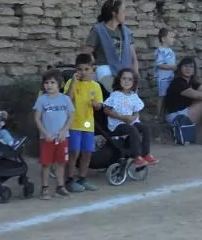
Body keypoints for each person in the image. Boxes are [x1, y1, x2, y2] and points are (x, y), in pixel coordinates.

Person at [63, 54, 105, 193]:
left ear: (92, 70)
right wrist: (73, 83)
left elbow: (99, 105)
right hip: (74, 123)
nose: (83, 72)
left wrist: (96, 104)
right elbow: (67, 100)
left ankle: (82, 178)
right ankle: (69, 179)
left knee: (87, 152)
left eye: (87, 69)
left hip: (88, 124)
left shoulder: (96, 86)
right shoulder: (71, 82)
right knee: (74, 152)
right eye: (80, 69)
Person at [103, 68, 157, 168]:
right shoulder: (115, 95)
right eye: (124, 78)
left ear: (134, 82)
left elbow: (136, 111)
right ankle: (137, 157)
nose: (127, 81)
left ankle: (146, 154)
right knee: (132, 129)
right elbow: (106, 110)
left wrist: (133, 118)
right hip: (117, 124)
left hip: (130, 121)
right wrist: (121, 117)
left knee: (145, 128)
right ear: (119, 80)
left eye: (130, 79)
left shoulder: (134, 96)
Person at [33, 69, 74, 200]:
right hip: (47, 138)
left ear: (59, 84)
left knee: (61, 163)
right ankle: (45, 188)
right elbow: (37, 118)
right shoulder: (42, 100)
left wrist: (64, 131)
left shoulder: (66, 99)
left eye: (52, 82)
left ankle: (60, 186)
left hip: (62, 137)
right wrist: (45, 133)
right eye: (46, 83)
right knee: (46, 164)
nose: (49, 85)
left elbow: (71, 116)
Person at [83, 0, 137, 93]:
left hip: (125, 71)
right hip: (105, 68)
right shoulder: (98, 30)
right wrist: (90, 70)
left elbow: (133, 59)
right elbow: (85, 54)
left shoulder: (126, 33)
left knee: (129, 95)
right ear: (114, 13)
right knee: (117, 92)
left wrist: (135, 78)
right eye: (123, 11)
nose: (125, 14)